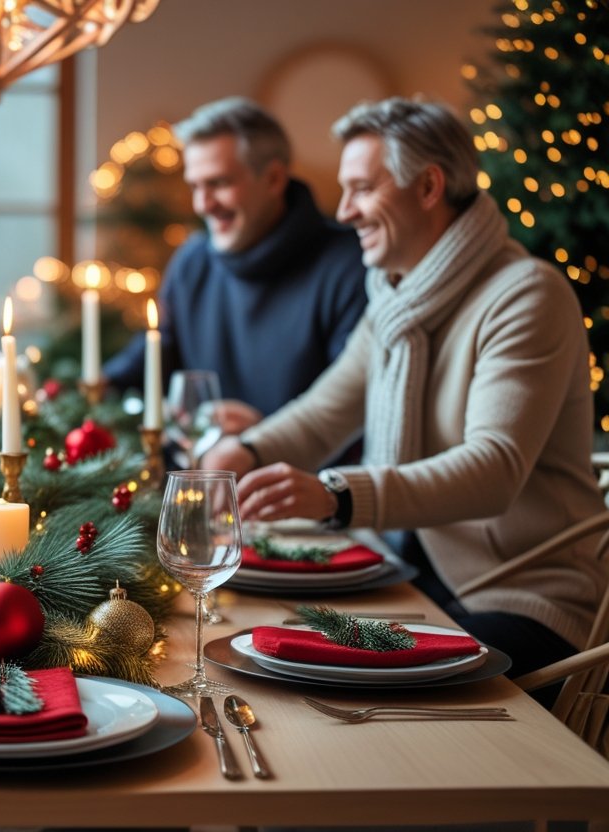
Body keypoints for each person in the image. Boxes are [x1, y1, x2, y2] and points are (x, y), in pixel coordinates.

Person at [206, 97, 606, 695]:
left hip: (525, 597)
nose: (344, 212)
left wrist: (336, 494)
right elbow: (324, 412)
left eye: (362, 188)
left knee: (344, 694)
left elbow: (494, 469)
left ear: (428, 187)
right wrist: (242, 451)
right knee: (274, 656)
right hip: (418, 583)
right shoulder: (394, 296)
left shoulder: (526, 295)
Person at [103, 97, 367, 433]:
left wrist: (265, 436)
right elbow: (151, 357)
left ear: (273, 179)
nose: (203, 205)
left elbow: (354, 410)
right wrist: (94, 387)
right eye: (195, 186)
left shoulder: (349, 266)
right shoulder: (192, 261)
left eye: (219, 183)